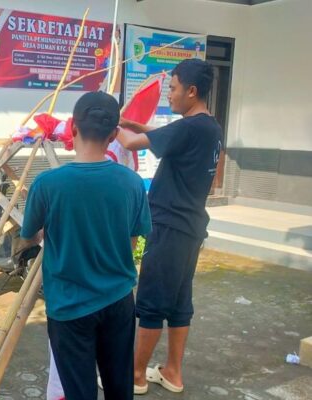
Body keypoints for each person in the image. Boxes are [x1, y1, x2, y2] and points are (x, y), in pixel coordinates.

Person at [21, 91, 152, 400]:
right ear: (114, 135)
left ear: (74, 129)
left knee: (79, 391)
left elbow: (30, 235)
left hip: (69, 306)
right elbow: (132, 242)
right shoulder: (132, 182)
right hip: (119, 299)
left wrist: (50, 236)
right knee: (120, 388)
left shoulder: (48, 184)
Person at [118, 58, 222, 394]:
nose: (170, 96)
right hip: (191, 226)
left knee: (150, 301)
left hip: (169, 225)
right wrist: (132, 121)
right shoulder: (209, 127)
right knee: (178, 303)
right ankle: (172, 372)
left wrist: (103, 121)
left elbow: (131, 144)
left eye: (174, 89)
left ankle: (134, 376)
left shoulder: (189, 127)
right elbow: (161, 135)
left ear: (192, 91)